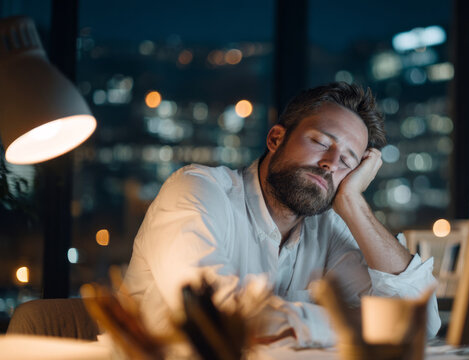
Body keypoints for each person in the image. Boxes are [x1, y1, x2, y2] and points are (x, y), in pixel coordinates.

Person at [122, 82, 441, 347]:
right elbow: (215, 318)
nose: (330, 163)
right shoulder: (196, 190)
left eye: (348, 161)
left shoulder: (328, 227)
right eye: (320, 142)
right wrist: (361, 325)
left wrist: (354, 205)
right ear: (276, 138)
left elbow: (420, 322)